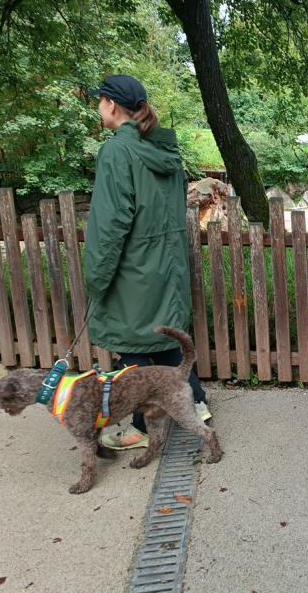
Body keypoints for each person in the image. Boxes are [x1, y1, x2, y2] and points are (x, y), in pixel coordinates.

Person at [84, 75, 211, 450]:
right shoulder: (164, 152)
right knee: (163, 335)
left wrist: (97, 278)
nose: (98, 108)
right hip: (167, 265)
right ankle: (196, 404)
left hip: (133, 268)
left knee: (133, 345)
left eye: (99, 101)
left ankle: (140, 428)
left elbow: (110, 225)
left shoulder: (116, 152)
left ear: (111, 104)